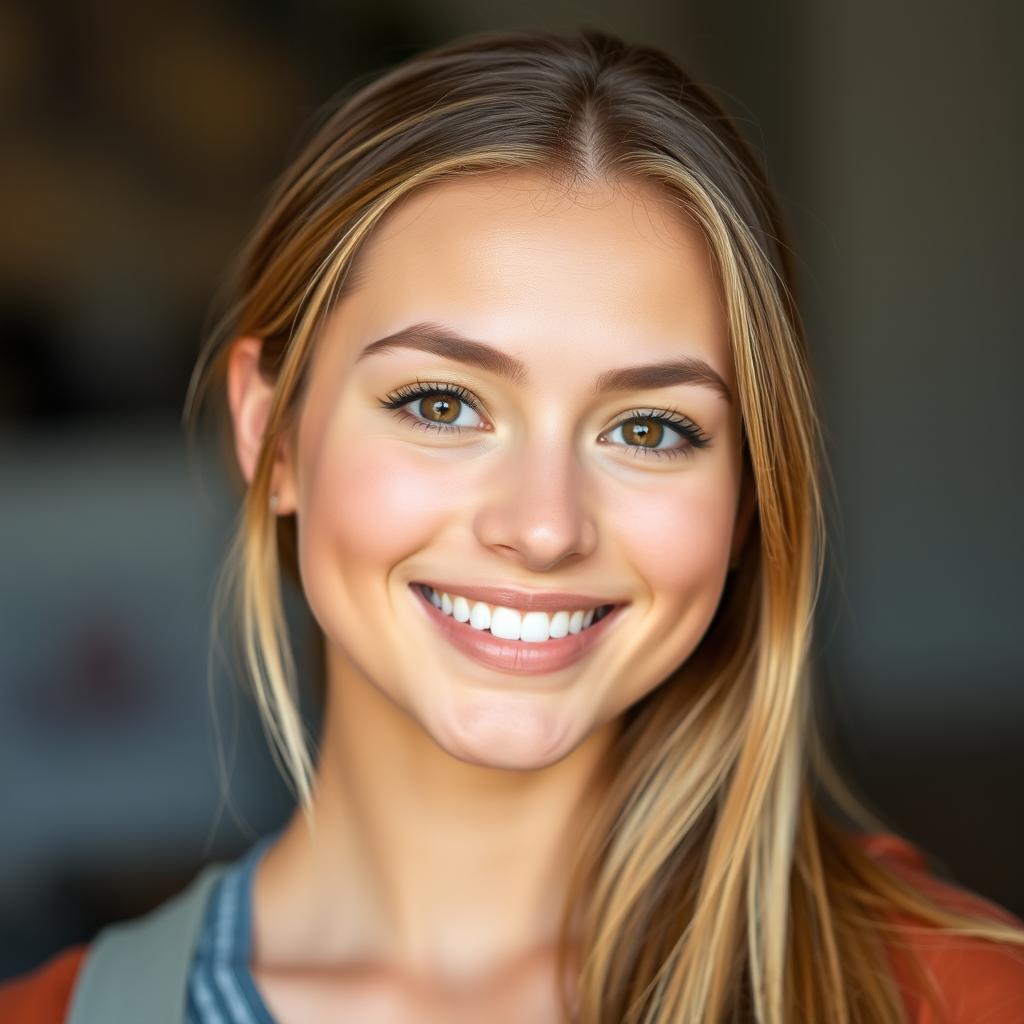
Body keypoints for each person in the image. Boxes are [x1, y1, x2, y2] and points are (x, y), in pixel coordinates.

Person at [3, 27, 1023, 1024]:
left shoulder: (953, 996)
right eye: (441, 404)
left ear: (749, 496)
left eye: (648, 427)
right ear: (271, 432)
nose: (543, 528)